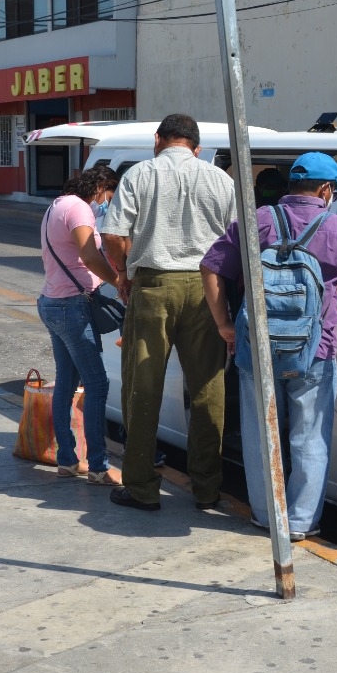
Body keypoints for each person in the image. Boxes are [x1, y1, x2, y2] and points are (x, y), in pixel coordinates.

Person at [200, 152, 337, 540]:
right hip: (315, 350)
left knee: (262, 432)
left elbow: (211, 265)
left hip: (255, 347)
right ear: (326, 190)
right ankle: (298, 523)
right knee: (310, 437)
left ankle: (265, 514)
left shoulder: (258, 220)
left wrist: (224, 324)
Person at [100, 115, 236, 512]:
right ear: (196, 146)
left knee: (143, 387)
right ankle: (207, 489)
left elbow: (111, 235)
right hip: (207, 290)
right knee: (208, 390)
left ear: (157, 139)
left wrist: (122, 273)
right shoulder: (220, 179)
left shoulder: (140, 174)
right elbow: (236, 239)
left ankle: (141, 486)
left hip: (153, 286)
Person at [38, 166, 122, 485]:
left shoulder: (57, 205)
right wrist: (119, 281)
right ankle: (99, 466)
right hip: (71, 305)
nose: (106, 204)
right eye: (108, 196)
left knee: (67, 382)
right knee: (97, 384)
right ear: (100, 187)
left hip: (52, 301)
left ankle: (67, 460)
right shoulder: (79, 208)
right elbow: (89, 255)